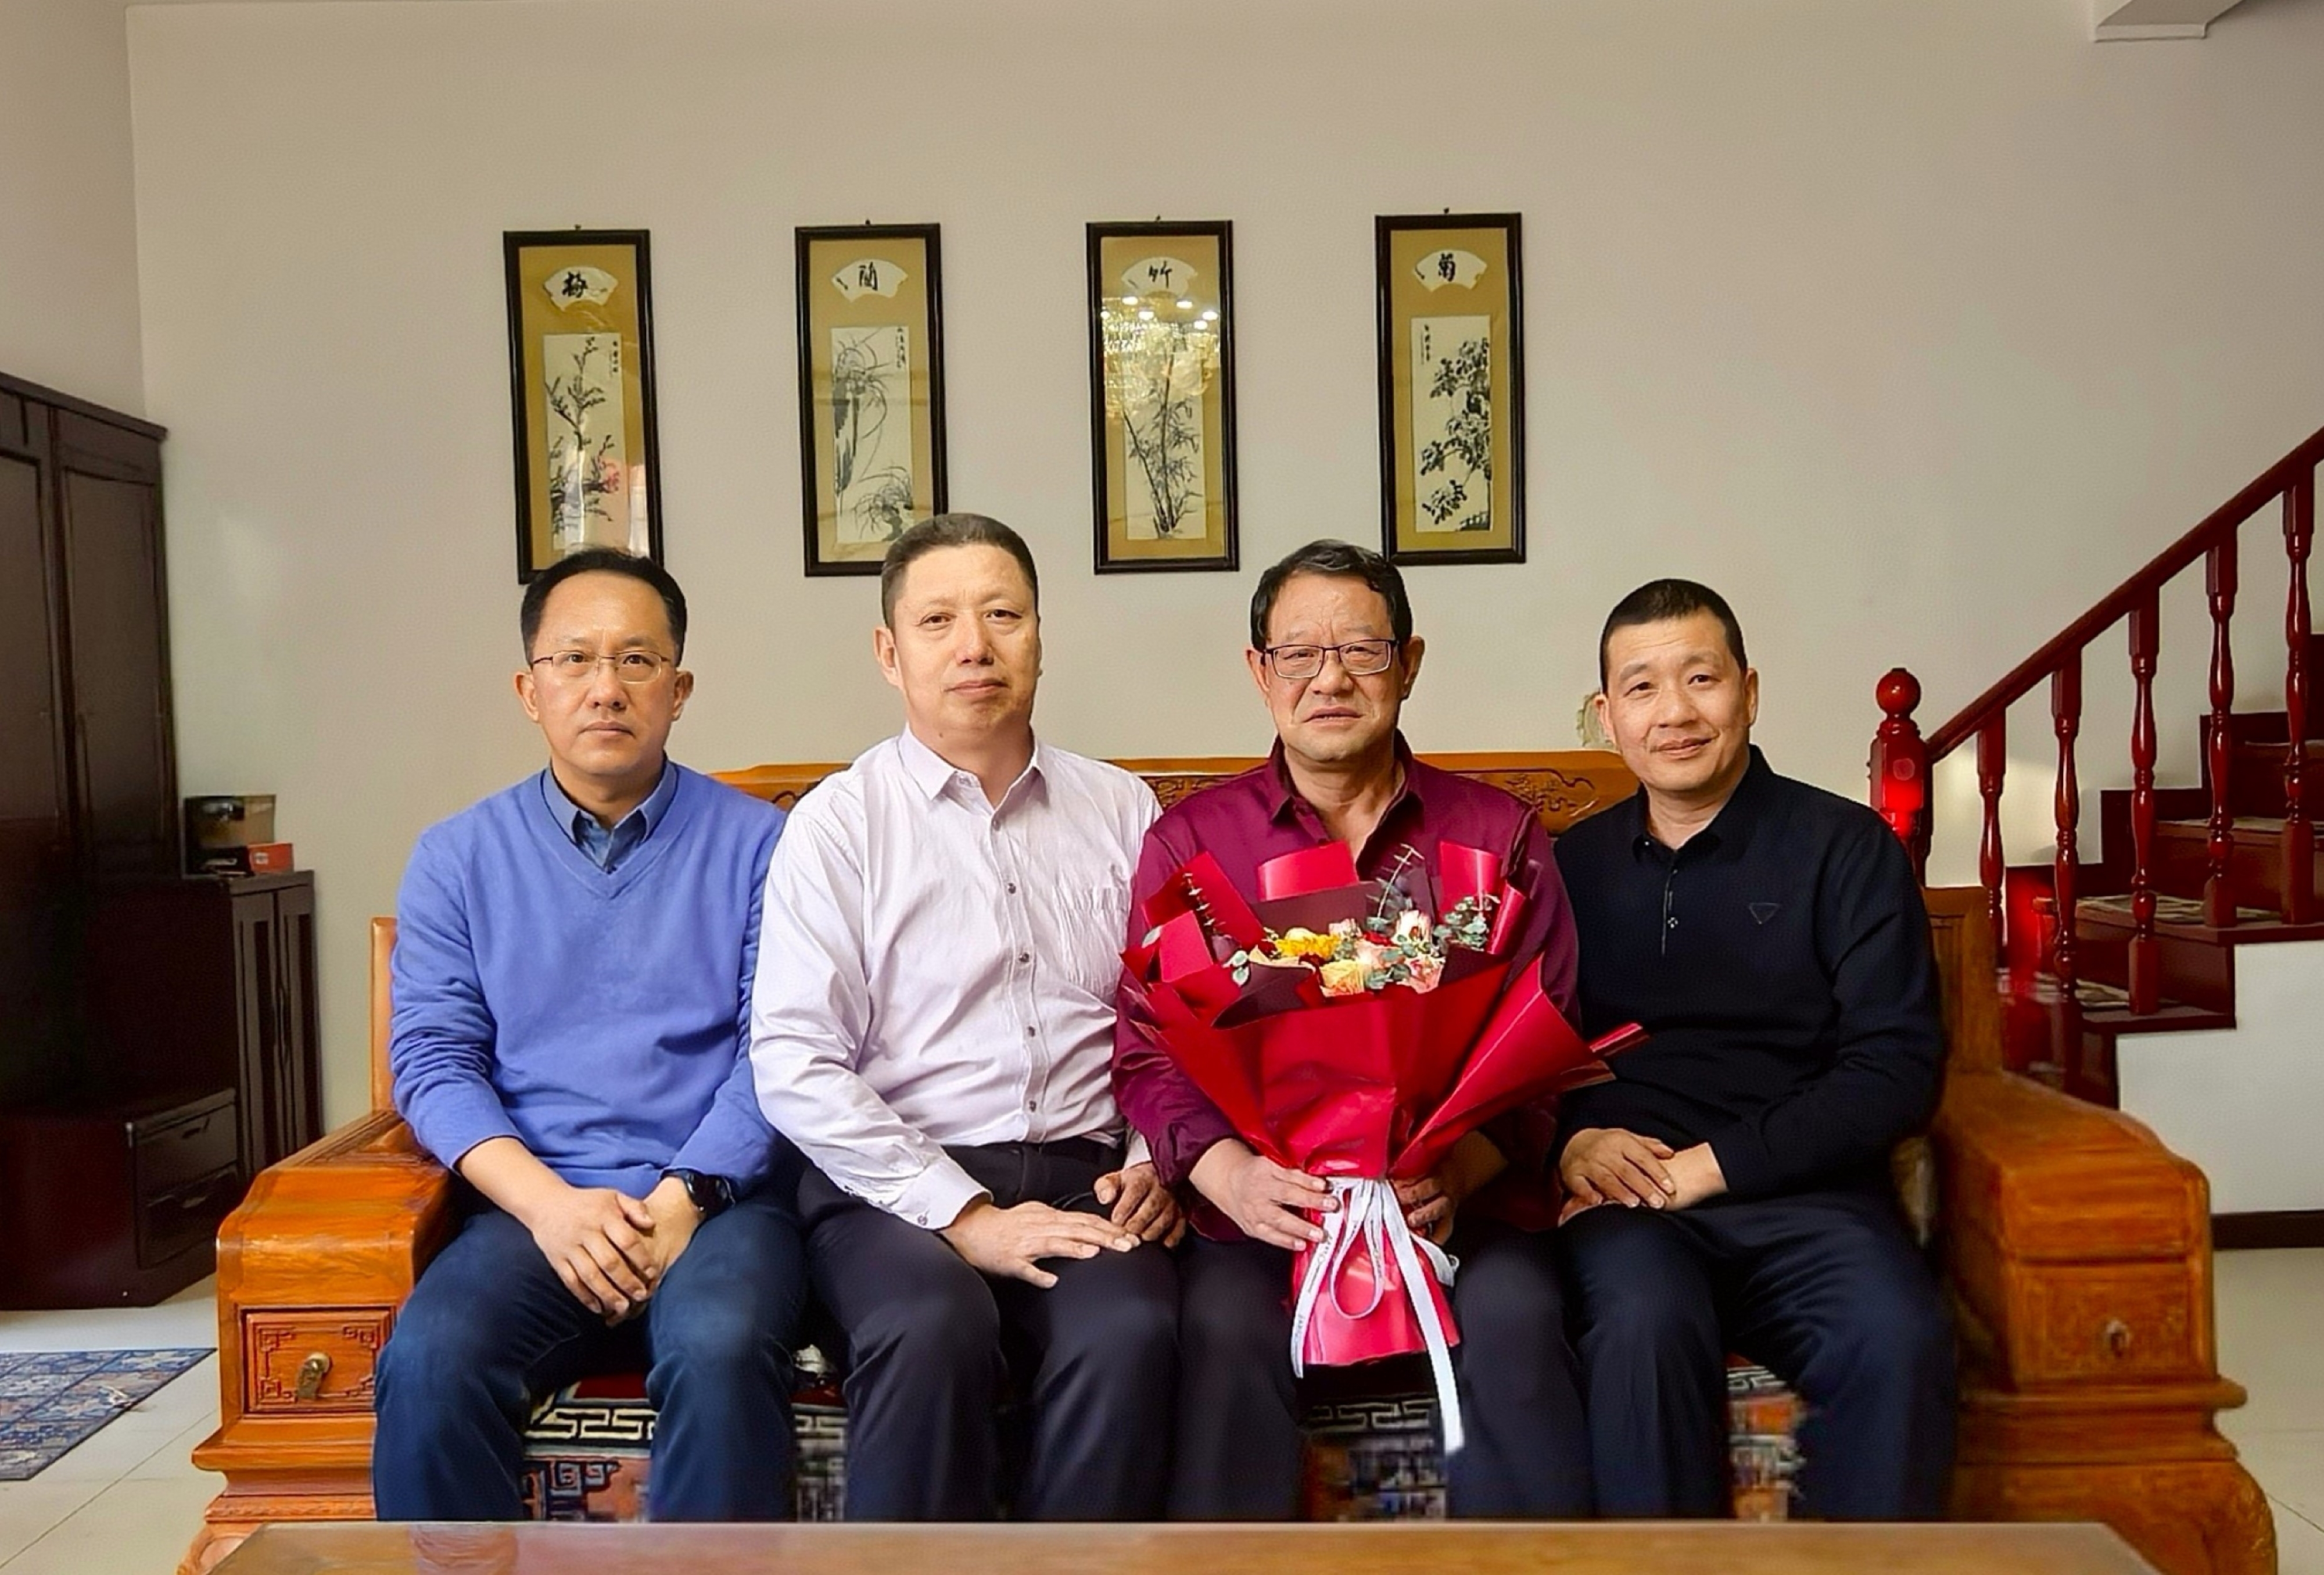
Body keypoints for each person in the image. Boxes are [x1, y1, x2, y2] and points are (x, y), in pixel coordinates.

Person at [1113, 538, 1593, 1519]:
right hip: (1264, 1211)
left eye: (1363, 650)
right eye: (1299, 653)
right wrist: (1229, 1175)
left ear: (1408, 663)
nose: (1329, 678)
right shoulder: (1192, 843)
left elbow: (1547, 1046)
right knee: (1221, 1329)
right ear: (1261, 671)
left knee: (1519, 1314)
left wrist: (1457, 1172)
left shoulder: (1499, 835)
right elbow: (1146, 1049)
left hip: (1454, 1202)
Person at [748, 513, 1180, 1521]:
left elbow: (1176, 1018)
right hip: (892, 1187)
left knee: (1128, 1332)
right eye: (938, 621)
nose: (974, 646)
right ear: (889, 652)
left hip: (1087, 1174)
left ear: (1041, 636)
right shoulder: (839, 823)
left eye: (1003, 615)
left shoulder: (1126, 811)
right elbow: (795, 1059)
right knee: (931, 1325)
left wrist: (1156, 1157)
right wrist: (967, 1216)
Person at [372, 547, 804, 1521]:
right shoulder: (456, 856)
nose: (605, 687)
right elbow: (434, 1061)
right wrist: (550, 1207)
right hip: (538, 1204)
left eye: (637, 660)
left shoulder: (762, 845)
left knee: (723, 1348)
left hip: (719, 1206)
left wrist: (683, 1199)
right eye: (574, 659)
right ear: (530, 690)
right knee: (433, 1361)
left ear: (679, 689)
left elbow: (778, 1049)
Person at [1552, 577, 1954, 1520]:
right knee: (1642, 1331)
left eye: (1702, 678)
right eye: (1643, 687)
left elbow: (1896, 1068)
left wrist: (1709, 1166)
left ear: (1750, 691)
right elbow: (1522, 1058)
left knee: (1899, 1339)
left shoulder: (1845, 848)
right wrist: (1569, 1141)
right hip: (1632, 1203)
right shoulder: (1569, 866)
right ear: (1608, 718)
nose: (1675, 712)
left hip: (1811, 1199)